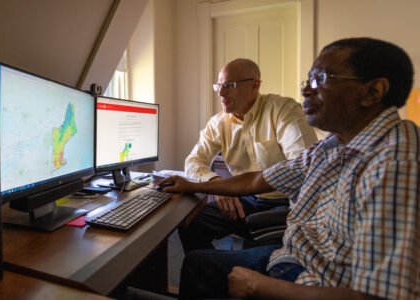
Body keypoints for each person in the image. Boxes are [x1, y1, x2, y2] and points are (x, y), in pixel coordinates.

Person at [162, 37, 419, 299]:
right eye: (307, 81)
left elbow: (381, 296)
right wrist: (197, 185)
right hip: (301, 253)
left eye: (322, 78)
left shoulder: (395, 164)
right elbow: (257, 180)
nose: (307, 90)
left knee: (207, 271)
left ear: (373, 91)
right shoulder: (333, 144)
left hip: (312, 273)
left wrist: (259, 286)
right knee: (197, 259)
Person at [181, 58, 318, 253]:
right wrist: (218, 185)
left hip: (282, 202)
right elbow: (193, 161)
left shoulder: (283, 110)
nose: (221, 93)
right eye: (219, 86)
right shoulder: (218, 123)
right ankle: (212, 271)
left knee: (267, 255)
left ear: (255, 85)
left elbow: (304, 167)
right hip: (244, 200)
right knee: (192, 223)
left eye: (229, 85)